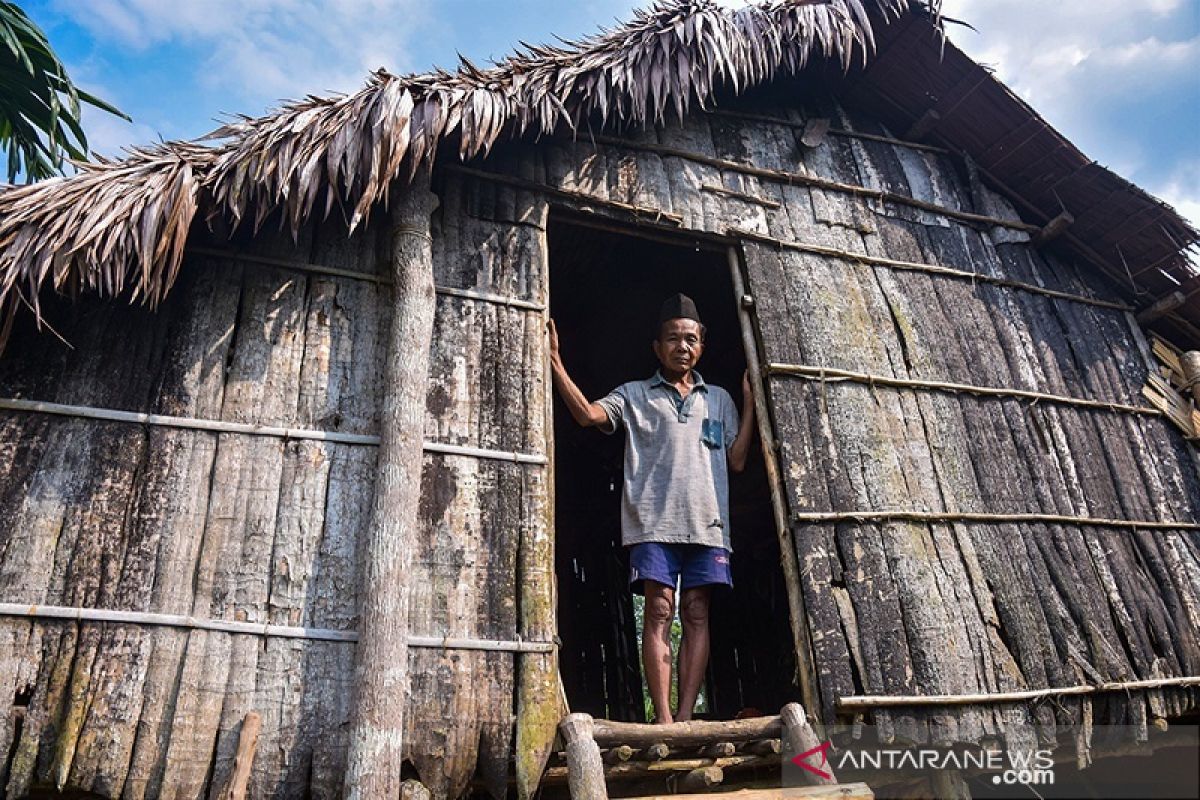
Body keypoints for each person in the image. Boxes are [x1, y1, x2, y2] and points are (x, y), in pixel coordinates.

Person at [547, 293, 755, 724]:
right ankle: (662, 719)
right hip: (652, 523)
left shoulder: (718, 399)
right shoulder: (634, 395)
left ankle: (683, 718)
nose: (683, 347)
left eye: (691, 339)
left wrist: (750, 402)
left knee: (697, 611)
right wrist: (556, 364)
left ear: (702, 345)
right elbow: (587, 416)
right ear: (657, 347)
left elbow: (736, 459)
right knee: (660, 609)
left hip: (708, 524)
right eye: (674, 339)